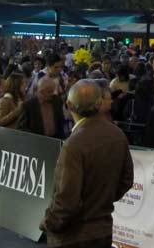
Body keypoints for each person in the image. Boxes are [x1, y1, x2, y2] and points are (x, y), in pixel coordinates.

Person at [41, 80, 134, 248]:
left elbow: (67, 199)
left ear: (69, 105)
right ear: (99, 103)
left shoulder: (74, 145)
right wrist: (102, 202)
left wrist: (48, 223)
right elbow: (126, 180)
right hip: (102, 230)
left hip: (73, 236)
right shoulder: (117, 134)